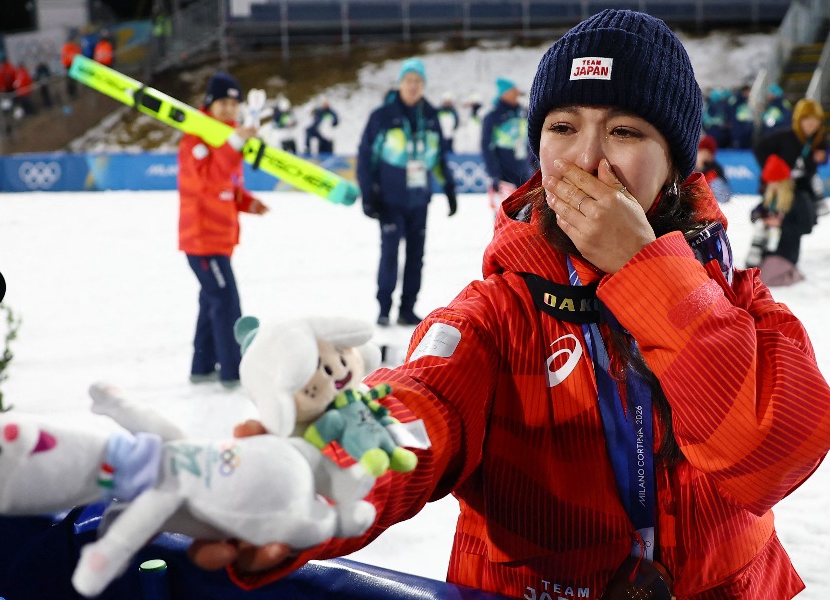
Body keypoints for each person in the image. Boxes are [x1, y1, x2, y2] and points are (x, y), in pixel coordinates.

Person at [192, 10, 830, 600]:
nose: (586, 159)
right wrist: (323, 469)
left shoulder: (739, 301)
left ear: (675, 164)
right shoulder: (498, 313)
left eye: (626, 131)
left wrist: (647, 272)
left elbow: (771, 455)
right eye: (563, 127)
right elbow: (422, 401)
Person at [178, 71, 268, 388]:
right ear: (209, 104)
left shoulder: (230, 140)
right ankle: (233, 371)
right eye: (223, 102)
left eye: (234, 103)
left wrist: (248, 203)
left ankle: (201, 367)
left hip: (221, 240)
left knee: (211, 303)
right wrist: (233, 143)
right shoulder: (195, 140)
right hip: (202, 242)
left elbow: (227, 188)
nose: (229, 109)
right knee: (227, 303)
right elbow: (206, 182)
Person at [356, 57, 458, 327]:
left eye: (418, 81)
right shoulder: (383, 116)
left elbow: (438, 158)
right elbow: (366, 158)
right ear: (400, 83)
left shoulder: (432, 116)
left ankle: (407, 308)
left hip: (419, 199)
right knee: (390, 254)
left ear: (423, 85)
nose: (413, 86)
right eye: (408, 80)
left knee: (416, 256)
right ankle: (384, 307)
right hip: (389, 199)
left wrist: (448, 188)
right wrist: (368, 194)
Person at [750, 97, 826, 285]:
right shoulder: (785, 137)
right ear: (798, 120)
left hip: (801, 190)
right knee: (784, 223)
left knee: (800, 224)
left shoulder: (816, 140)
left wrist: (822, 157)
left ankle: (782, 262)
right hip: (781, 190)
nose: (811, 124)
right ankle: (778, 263)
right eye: (807, 119)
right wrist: (772, 173)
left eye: (815, 120)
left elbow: (818, 159)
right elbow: (759, 148)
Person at [481, 77, 535, 212]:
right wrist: (494, 173)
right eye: (513, 90)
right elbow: (486, 146)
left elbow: (530, 140)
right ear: (504, 93)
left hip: (525, 171)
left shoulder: (522, 112)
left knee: (526, 215)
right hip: (504, 173)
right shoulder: (493, 116)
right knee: (506, 214)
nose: (517, 93)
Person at [695, 134, 731, 203]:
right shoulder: (690, 170)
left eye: (701, 153)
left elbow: (724, 198)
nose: (698, 156)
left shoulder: (714, 174)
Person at [436, 91, 459, 156]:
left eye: (449, 102)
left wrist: (452, 131)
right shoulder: (439, 111)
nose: (447, 103)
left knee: (449, 153)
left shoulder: (453, 112)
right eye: (446, 102)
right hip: (440, 137)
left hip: (449, 137)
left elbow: (456, 123)